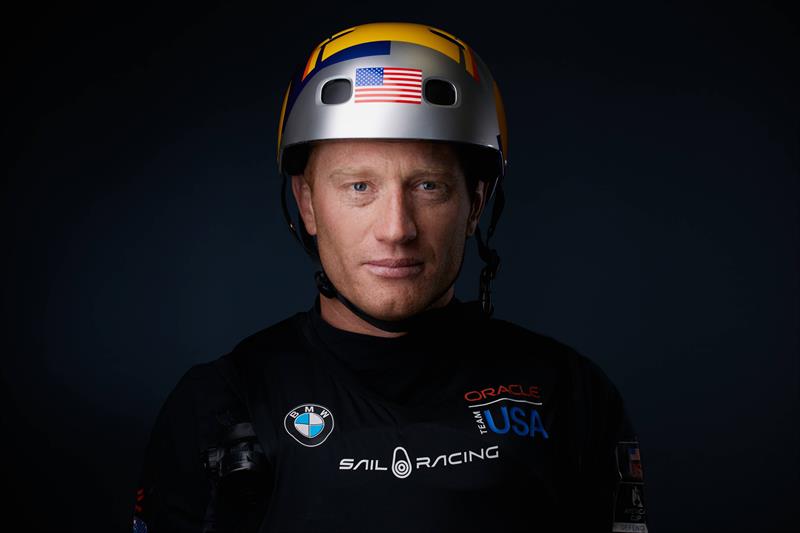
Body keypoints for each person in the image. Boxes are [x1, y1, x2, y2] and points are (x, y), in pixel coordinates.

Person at [131, 21, 649, 533]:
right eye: (359, 186)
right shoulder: (222, 405)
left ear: (476, 204)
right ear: (307, 203)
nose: (396, 229)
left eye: (428, 186)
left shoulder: (570, 394)